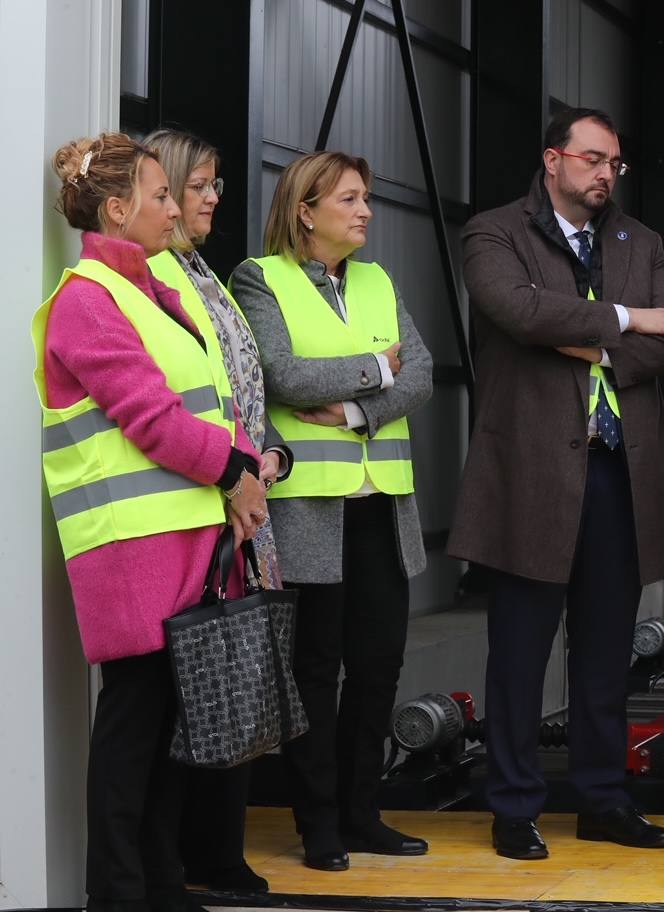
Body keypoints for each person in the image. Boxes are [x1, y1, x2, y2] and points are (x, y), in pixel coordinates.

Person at [448, 107, 664, 860]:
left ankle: (601, 799)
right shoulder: (493, 233)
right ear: (552, 160)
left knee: (603, 653)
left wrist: (587, 344)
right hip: (530, 474)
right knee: (519, 652)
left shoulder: (639, 241)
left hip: (619, 473)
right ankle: (514, 806)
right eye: (592, 160)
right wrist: (628, 318)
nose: (604, 174)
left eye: (614, 164)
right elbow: (517, 310)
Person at [36, 132, 267, 911]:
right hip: (131, 550)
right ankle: (119, 893)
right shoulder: (86, 299)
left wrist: (244, 472)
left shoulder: (150, 291)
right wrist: (235, 469)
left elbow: (212, 400)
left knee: (169, 730)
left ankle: (161, 885)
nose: (176, 206)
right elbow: (151, 416)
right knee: (134, 730)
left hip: (186, 540)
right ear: (117, 208)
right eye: (161, 194)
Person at [231, 151, 433, 872]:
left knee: (378, 666)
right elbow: (281, 374)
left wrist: (349, 409)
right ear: (306, 210)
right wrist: (379, 370)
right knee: (316, 669)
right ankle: (317, 822)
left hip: (382, 505)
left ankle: (362, 811)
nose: (366, 211)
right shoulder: (261, 279)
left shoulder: (378, 279)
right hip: (311, 510)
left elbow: (427, 372)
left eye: (367, 198)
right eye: (350, 199)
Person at [143, 128, 294, 894]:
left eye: (213, 185)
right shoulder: (158, 278)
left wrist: (267, 459)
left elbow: (238, 392)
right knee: (193, 693)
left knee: (230, 681)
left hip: (243, 501)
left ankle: (214, 853)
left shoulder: (204, 272)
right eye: (196, 185)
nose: (211, 197)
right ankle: (187, 861)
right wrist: (236, 470)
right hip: (203, 510)